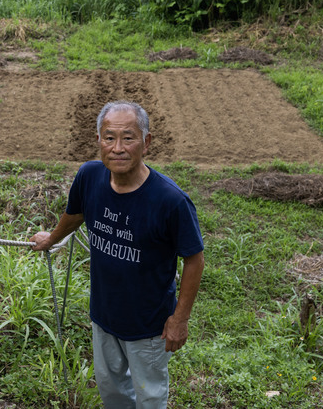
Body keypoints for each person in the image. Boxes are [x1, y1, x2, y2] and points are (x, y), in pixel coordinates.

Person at [31, 100, 205, 409]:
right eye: (109, 137)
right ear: (98, 140)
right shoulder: (89, 177)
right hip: (104, 314)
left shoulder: (170, 201)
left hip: (149, 324)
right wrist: (53, 238)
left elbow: (194, 260)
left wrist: (180, 319)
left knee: (149, 395)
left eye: (129, 137)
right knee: (111, 391)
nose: (118, 148)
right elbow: (75, 215)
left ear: (146, 142)